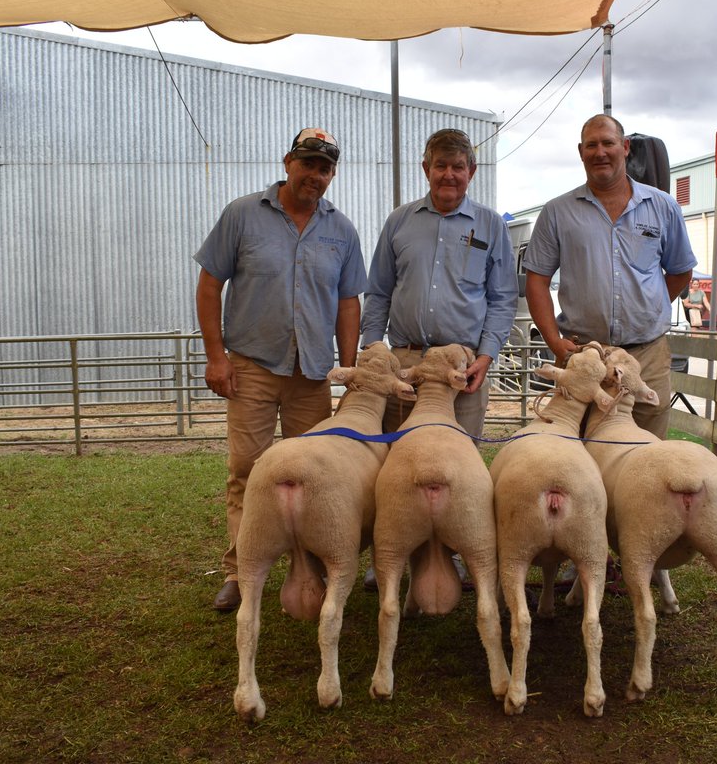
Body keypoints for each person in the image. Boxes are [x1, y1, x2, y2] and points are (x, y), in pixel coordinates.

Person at [194, 127, 367, 612]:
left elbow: (348, 302)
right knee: (248, 470)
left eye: (325, 168)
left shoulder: (342, 230)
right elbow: (210, 286)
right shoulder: (243, 214)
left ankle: (304, 566)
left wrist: (349, 369)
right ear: (288, 161)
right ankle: (239, 571)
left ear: (332, 175)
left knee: (311, 474)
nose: (315, 175)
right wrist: (215, 356)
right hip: (251, 366)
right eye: (308, 164)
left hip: (310, 374)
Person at [523, 114, 697, 440]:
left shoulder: (662, 207)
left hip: (646, 355)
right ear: (580, 151)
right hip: (585, 357)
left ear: (625, 147)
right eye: (591, 145)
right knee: (580, 456)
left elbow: (680, 270)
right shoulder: (559, 212)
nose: (600, 152)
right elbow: (537, 281)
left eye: (608, 143)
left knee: (646, 457)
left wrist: (648, 307)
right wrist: (553, 341)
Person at [360, 127, 518, 439]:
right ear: (426, 169)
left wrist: (485, 357)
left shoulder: (491, 226)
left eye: (458, 166)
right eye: (441, 165)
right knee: (397, 462)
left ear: (471, 171)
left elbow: (502, 299)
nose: (449, 174)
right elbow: (378, 292)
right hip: (404, 364)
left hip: (462, 367)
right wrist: (373, 349)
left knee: (456, 469)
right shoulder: (399, 221)